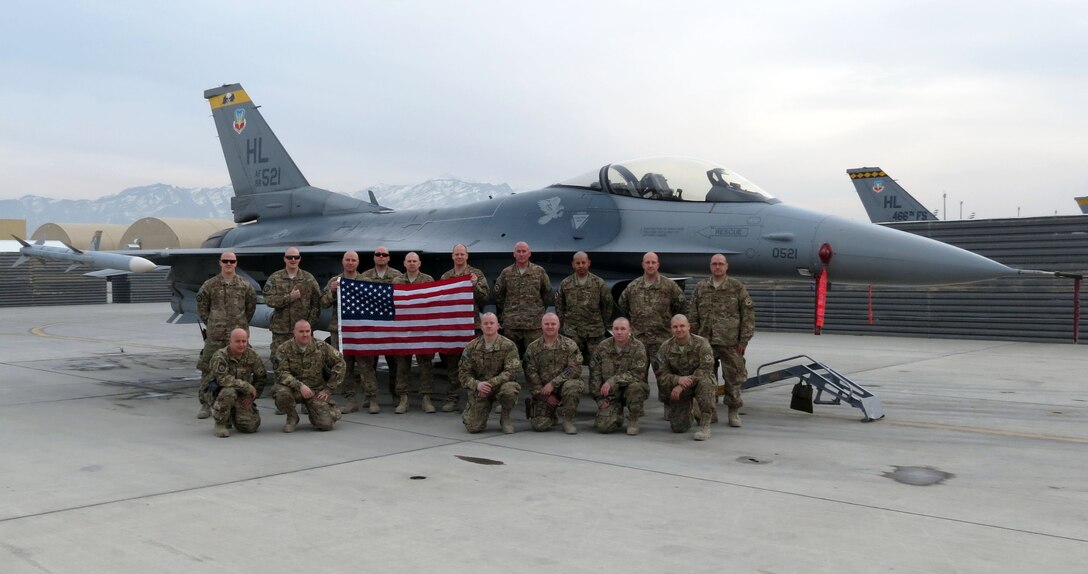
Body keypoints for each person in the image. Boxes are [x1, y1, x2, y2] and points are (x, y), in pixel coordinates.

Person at [690, 254, 756, 428]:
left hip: (730, 342)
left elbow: (748, 314)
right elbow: (693, 315)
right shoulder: (701, 287)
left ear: (727, 266)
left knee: (733, 378)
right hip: (706, 343)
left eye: (720, 264)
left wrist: (744, 340)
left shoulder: (736, 287)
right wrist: (694, 340)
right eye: (714, 264)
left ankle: (733, 411)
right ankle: (709, 412)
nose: (717, 267)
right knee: (706, 379)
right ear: (710, 266)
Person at [616, 251, 687, 402]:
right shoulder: (633, 287)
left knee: (666, 377)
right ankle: (637, 408)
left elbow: (680, 307)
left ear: (658, 265)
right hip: (638, 342)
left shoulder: (669, 286)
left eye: (653, 262)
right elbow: (623, 306)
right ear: (642, 265)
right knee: (636, 380)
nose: (650, 265)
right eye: (647, 262)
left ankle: (670, 408)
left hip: (662, 342)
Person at [194, 251, 256, 419]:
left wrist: (240, 325)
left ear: (236, 263)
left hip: (237, 337)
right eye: (226, 261)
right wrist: (213, 323)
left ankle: (242, 402)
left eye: (232, 261)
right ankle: (206, 404)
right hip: (216, 335)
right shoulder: (210, 285)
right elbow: (202, 308)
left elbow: (250, 307)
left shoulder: (245, 285)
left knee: (243, 369)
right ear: (220, 263)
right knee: (208, 369)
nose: (229, 263)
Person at [439, 243, 490, 412]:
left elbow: (485, 298)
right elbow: (441, 301)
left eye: (462, 254)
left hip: (472, 326)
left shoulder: (476, 274)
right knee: (452, 365)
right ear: (452, 256)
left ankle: (477, 399)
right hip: (453, 327)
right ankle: (452, 398)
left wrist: (475, 285)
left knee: (476, 364)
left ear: (467, 256)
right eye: (457, 254)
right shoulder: (446, 276)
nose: (459, 257)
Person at [272, 320, 346, 433]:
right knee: (281, 393)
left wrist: (329, 389)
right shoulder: (284, 349)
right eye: (301, 331)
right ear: (294, 332)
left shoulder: (321, 346)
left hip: (315, 391)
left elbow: (340, 362)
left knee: (325, 425)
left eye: (307, 331)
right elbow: (281, 372)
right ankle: (292, 417)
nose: (305, 334)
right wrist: (300, 386)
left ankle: (325, 410)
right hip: (294, 389)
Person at [357, 245, 404, 413]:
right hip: (371, 327)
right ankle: (371, 397)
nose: (381, 257)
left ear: (389, 257)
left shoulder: (398, 276)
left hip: (391, 327)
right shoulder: (365, 277)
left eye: (384, 254)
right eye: (378, 254)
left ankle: (396, 395)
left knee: (395, 364)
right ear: (374, 257)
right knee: (369, 364)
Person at [656, 315, 717, 441]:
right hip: (681, 389)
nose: (679, 329)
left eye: (682, 326)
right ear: (671, 329)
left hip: (698, 383)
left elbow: (706, 369)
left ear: (689, 326)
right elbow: (661, 374)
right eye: (675, 327)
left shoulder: (702, 343)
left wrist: (681, 385)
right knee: (678, 427)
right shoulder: (665, 348)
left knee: (706, 382)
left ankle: (705, 426)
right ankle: (692, 409)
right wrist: (677, 380)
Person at [459, 312, 521, 434]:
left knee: (510, 390)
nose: (489, 326)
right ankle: (474, 409)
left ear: (498, 326)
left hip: (499, 386)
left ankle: (505, 417)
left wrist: (489, 384)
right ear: (481, 326)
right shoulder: (472, 346)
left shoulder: (508, 345)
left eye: (492, 323)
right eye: (485, 323)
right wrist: (477, 385)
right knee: (473, 427)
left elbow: (511, 372)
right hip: (480, 389)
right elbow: (463, 373)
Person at [523, 312, 585, 434]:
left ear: (558, 325)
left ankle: (567, 420)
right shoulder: (533, 348)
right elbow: (531, 374)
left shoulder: (569, 345)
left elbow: (573, 369)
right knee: (539, 426)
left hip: (563, 386)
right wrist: (545, 396)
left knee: (572, 386)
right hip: (544, 390)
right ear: (541, 325)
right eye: (547, 324)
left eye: (553, 324)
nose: (550, 326)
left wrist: (553, 384)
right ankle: (551, 414)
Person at [320, 250, 364, 413]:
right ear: (343, 261)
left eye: (353, 260)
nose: (350, 263)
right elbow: (323, 303)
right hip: (339, 329)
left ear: (357, 262)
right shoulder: (335, 281)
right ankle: (350, 399)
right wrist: (332, 291)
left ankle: (371, 398)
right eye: (348, 260)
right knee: (343, 365)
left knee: (365, 365)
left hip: (360, 330)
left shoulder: (365, 281)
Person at [392, 252, 436, 413]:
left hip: (423, 330)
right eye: (409, 261)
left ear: (419, 263)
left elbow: (434, 304)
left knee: (426, 364)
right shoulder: (397, 281)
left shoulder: (428, 280)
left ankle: (426, 398)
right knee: (402, 365)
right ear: (404, 263)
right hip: (403, 330)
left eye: (414, 261)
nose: (411, 263)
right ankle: (403, 398)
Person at [590, 318, 649, 435]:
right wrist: (599, 399)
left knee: (636, 387)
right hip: (611, 394)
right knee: (603, 428)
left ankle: (633, 419)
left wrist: (613, 381)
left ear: (629, 331)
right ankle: (616, 415)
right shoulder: (603, 346)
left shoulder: (638, 347)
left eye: (623, 329)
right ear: (612, 330)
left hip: (630, 389)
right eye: (616, 329)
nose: (619, 332)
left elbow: (638, 373)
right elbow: (595, 373)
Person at [493, 241, 552, 357]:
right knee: (510, 356)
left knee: (535, 356)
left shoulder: (539, 271)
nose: (521, 254)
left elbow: (547, 293)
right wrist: (508, 310)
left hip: (533, 324)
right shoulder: (506, 272)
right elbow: (498, 294)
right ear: (514, 254)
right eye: (518, 251)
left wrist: (537, 310)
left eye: (524, 251)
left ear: (529, 253)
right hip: (512, 324)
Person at [263, 247, 321, 365]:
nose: (293, 260)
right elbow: (268, 300)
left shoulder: (308, 278)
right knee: (278, 360)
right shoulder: (275, 278)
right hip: (281, 331)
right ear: (284, 259)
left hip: (302, 331)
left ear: (300, 259)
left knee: (304, 361)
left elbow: (316, 304)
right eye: (290, 257)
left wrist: (309, 324)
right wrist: (289, 297)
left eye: (296, 257)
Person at [205, 328, 267, 438]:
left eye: (244, 341)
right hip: (220, 394)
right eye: (237, 341)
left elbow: (261, 377)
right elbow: (223, 379)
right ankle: (220, 423)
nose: (241, 344)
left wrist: (252, 397)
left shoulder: (252, 356)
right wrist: (247, 386)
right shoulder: (220, 356)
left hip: (242, 394)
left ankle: (233, 414)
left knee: (251, 427)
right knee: (229, 391)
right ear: (230, 341)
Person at [556, 251, 613, 363]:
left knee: (597, 363)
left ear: (589, 263)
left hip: (595, 332)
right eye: (578, 263)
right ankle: (572, 376)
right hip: (573, 332)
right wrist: (565, 324)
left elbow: (607, 305)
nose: (581, 265)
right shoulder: (565, 283)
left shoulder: (598, 283)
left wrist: (601, 323)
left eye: (583, 262)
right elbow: (559, 306)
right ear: (573, 264)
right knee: (571, 363)